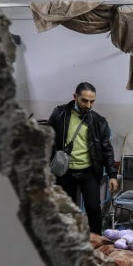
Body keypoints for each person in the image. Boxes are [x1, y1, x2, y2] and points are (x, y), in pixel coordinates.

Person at [47, 82, 119, 233]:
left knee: (93, 208)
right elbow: (48, 140)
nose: (88, 105)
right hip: (65, 172)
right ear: (75, 97)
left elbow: (107, 149)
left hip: (89, 172)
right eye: (84, 100)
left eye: (92, 101)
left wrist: (112, 175)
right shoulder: (59, 114)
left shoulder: (99, 121)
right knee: (67, 210)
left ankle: (97, 241)